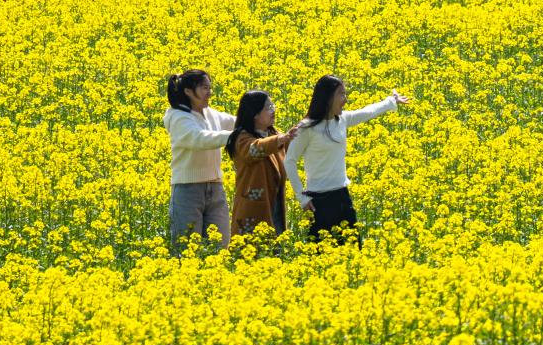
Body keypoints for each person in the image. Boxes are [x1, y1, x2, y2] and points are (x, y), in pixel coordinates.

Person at [283, 75, 409, 244]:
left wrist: (391, 101)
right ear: (328, 97)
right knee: (321, 252)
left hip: (342, 195)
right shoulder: (307, 128)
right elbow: (290, 161)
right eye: (341, 94)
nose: (345, 99)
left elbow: (368, 112)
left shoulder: (342, 120)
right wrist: (302, 197)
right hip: (319, 200)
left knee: (352, 248)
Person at [163, 69, 236, 248]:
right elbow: (199, 138)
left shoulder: (210, 113)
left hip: (215, 188)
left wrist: (267, 129)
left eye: (210, 88)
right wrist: (236, 136)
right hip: (188, 190)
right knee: (187, 249)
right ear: (188, 91)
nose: (209, 92)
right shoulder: (178, 117)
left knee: (220, 246)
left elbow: (238, 122)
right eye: (204, 88)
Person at [225, 91, 299, 238]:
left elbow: (288, 150)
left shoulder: (273, 134)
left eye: (273, 106)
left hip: (275, 204)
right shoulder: (242, 138)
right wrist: (281, 139)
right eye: (268, 107)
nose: (273, 110)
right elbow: (255, 149)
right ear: (255, 114)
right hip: (253, 210)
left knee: (275, 247)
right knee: (252, 248)